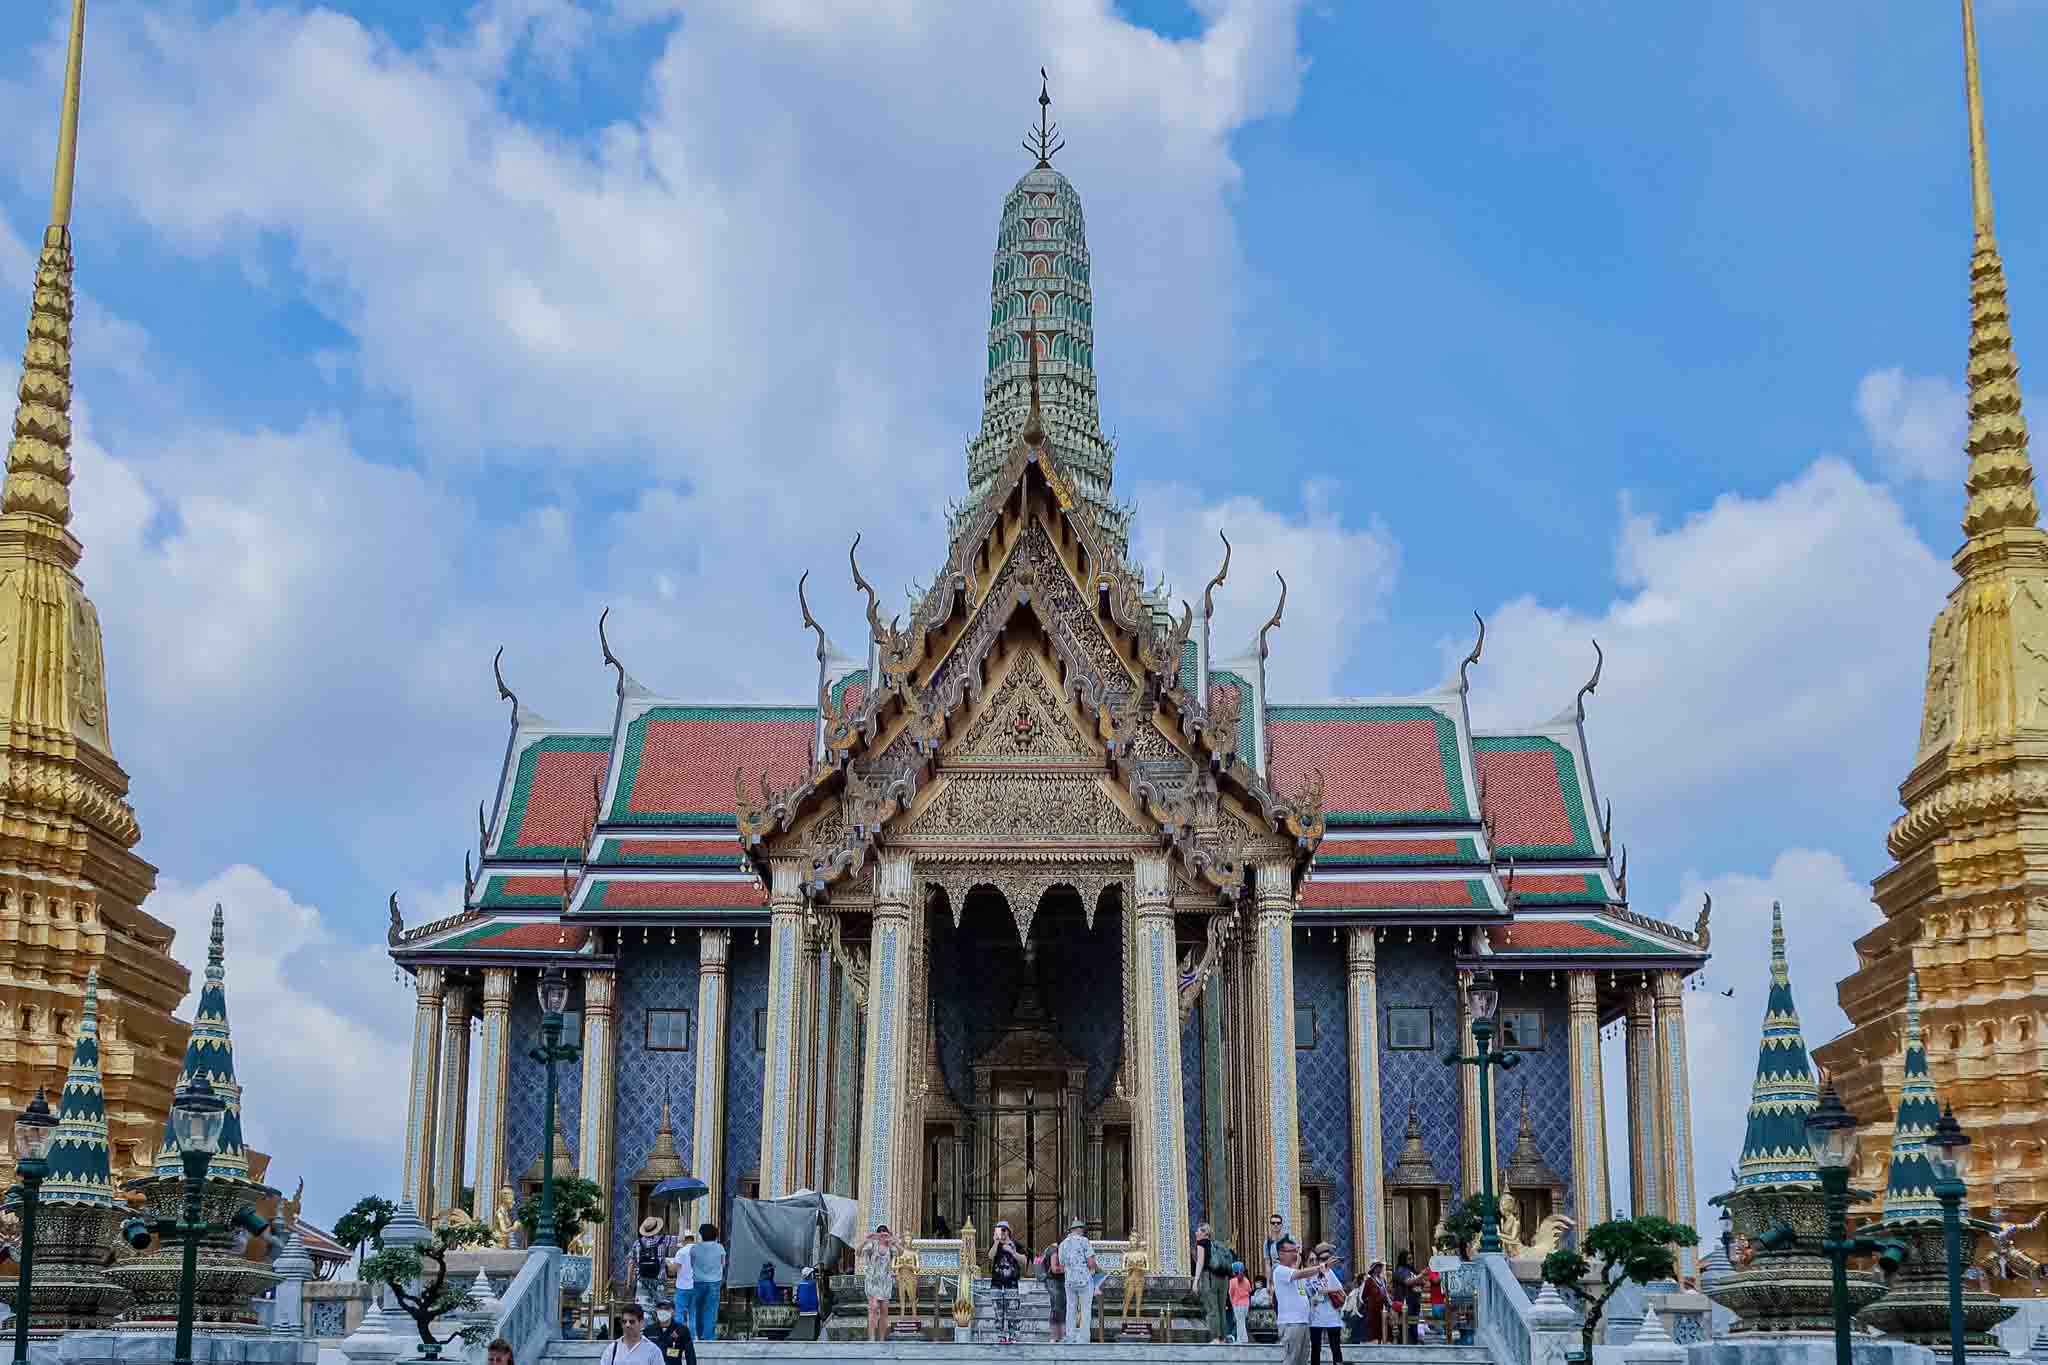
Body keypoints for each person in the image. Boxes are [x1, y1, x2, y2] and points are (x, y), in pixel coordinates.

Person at [1057, 1216, 1099, 1342]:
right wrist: (1097, 1269)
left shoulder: (1063, 1244)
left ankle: (1070, 1336)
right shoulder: (1084, 1241)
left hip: (1070, 1280)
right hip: (1084, 1280)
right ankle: (1083, 1338)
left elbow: (1062, 1263)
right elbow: (1091, 1263)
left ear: (1071, 1230)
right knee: (1085, 1309)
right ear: (1079, 1229)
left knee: (1071, 1308)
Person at [1270, 1238, 1310, 1365]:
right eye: (1291, 1251)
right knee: (1291, 1360)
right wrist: (1320, 1268)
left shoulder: (1294, 1273)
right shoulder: (1280, 1271)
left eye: (1296, 1250)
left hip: (1302, 1322)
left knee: (1302, 1360)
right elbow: (1300, 1273)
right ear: (1281, 1254)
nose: (1295, 1254)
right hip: (1291, 1323)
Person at [1306, 1244, 1344, 1365]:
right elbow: (1308, 1294)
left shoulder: (1327, 1271)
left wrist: (1326, 1290)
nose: (1313, 1262)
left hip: (1332, 1316)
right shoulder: (1305, 1277)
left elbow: (1339, 1287)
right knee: (1316, 1350)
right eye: (1310, 1260)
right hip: (1315, 1317)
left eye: (1315, 1259)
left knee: (1336, 1348)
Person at [687, 1224, 725, 1342]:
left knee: (698, 1309)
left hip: (698, 1282)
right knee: (711, 1310)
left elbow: (692, 1264)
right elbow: (723, 1263)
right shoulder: (720, 1247)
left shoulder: (694, 1248)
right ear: (715, 1235)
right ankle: (708, 1336)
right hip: (714, 1282)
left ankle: (698, 1333)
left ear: (701, 1235)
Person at [1192, 1221, 1227, 1343]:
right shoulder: (1215, 1244)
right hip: (1223, 1279)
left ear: (1204, 1233)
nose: (1196, 1233)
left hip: (1210, 1277)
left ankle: (1215, 1337)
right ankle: (1222, 1337)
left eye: (1198, 1231)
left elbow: (1200, 1262)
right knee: (1221, 1308)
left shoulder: (1201, 1243)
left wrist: (1195, 1281)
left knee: (1212, 1308)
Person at [859, 1223, 894, 1342]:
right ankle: (872, 1338)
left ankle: (882, 1338)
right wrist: (866, 1240)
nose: (883, 1236)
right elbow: (858, 1252)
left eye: (885, 1233)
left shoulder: (890, 1247)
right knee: (873, 1309)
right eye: (881, 1233)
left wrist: (893, 1240)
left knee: (884, 1311)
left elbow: (901, 1253)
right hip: (873, 1282)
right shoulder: (872, 1245)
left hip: (885, 1283)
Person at [598, 1302, 663, 1365]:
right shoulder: (612, 1349)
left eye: (632, 1322)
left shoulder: (653, 1351)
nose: (627, 1325)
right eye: (624, 1321)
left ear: (641, 1323)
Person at [634, 1217, 671, 1308]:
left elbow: (631, 1262)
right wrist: (681, 1223)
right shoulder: (663, 1240)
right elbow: (681, 1239)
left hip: (642, 1280)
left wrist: (629, 1281)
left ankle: (646, 1322)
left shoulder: (637, 1243)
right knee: (661, 1309)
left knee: (643, 1309)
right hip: (659, 1280)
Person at [649, 1301, 697, 1365]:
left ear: (673, 1312)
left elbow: (690, 1355)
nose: (663, 1311)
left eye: (666, 1309)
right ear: (656, 1311)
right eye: (660, 1309)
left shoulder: (682, 1330)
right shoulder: (649, 1330)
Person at [1041, 1237, 1067, 1343]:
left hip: (1059, 1282)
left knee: (1061, 1308)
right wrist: (1069, 1268)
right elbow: (1055, 1269)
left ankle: (1060, 1335)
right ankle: (1054, 1336)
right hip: (1053, 1282)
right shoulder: (1055, 1252)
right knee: (1056, 1308)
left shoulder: (1059, 1251)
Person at [1228, 1262, 1253, 1344]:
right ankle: (1241, 1339)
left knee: (1240, 1322)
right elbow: (1249, 1291)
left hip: (1237, 1305)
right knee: (1241, 1322)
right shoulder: (1246, 1280)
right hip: (1246, 1305)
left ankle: (1243, 1339)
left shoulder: (1232, 1281)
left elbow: (1230, 1293)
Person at [795, 1266, 822, 1341]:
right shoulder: (814, 1284)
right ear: (810, 1275)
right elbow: (819, 1297)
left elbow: (797, 1298)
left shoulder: (800, 1285)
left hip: (802, 1310)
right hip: (813, 1310)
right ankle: (816, 1337)